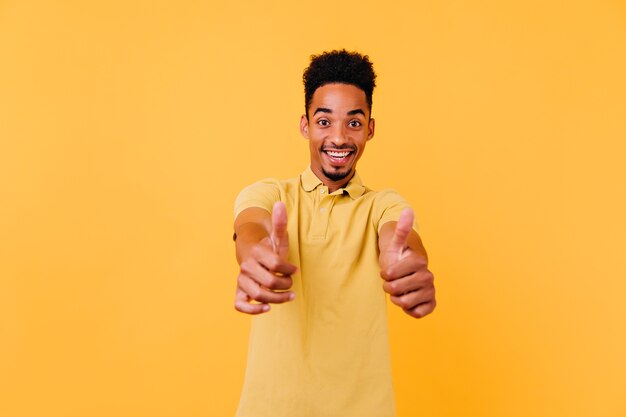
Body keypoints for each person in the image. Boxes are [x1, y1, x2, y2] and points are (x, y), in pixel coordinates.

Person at [232, 49, 436, 417]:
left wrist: (406, 261)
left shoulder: (384, 205)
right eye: (324, 122)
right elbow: (250, 227)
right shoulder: (270, 193)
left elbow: (400, 239)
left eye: (354, 123)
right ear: (305, 125)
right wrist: (254, 255)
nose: (339, 138)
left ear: (370, 129)